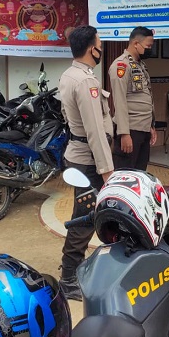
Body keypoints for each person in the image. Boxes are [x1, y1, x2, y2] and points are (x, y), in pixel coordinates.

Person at [58, 25, 114, 301]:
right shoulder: (85, 82)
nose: (101, 48)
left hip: (77, 155)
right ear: (92, 49)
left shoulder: (69, 75)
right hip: (89, 161)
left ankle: (74, 268)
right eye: (100, 44)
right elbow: (95, 132)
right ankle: (68, 278)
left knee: (86, 213)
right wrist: (107, 172)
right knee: (86, 217)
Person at [108, 26, 157, 170]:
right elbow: (120, 102)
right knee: (125, 172)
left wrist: (150, 126)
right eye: (148, 46)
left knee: (140, 172)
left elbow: (146, 96)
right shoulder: (121, 66)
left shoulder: (140, 65)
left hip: (143, 128)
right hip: (130, 130)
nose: (150, 49)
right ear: (136, 43)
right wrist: (124, 133)